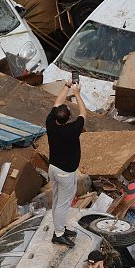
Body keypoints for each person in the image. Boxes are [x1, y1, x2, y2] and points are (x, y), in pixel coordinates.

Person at [45, 80, 86, 246]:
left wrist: (67, 86)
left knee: (56, 199)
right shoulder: (73, 129)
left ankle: (59, 228)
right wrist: (77, 94)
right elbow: (83, 113)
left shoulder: (50, 123)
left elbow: (57, 102)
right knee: (63, 204)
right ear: (68, 117)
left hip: (53, 168)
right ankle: (59, 234)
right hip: (65, 173)